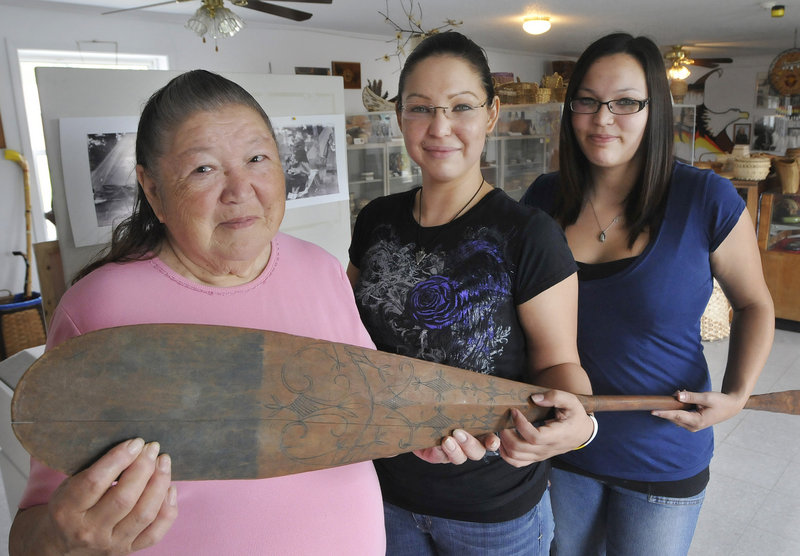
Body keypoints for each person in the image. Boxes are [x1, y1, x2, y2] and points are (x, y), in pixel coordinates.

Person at [9, 70, 385, 555]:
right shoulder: (100, 308)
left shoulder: (321, 270)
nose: (240, 189)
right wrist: (63, 541)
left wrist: (434, 437)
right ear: (152, 189)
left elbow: (371, 409)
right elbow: (33, 528)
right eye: (203, 169)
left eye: (257, 158)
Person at [521, 33, 774, 555]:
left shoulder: (704, 198)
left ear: (654, 108)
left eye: (625, 102)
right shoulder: (544, 198)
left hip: (662, 452)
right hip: (562, 445)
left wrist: (736, 396)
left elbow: (754, 303)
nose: (602, 118)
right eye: (587, 101)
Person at [347, 31, 595, 555]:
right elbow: (351, 344)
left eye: (461, 107)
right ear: (399, 116)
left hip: (493, 509)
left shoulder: (529, 234)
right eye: (420, 108)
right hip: (379, 493)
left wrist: (574, 422)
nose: (440, 128)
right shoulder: (375, 221)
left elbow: (558, 366)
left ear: (492, 114)